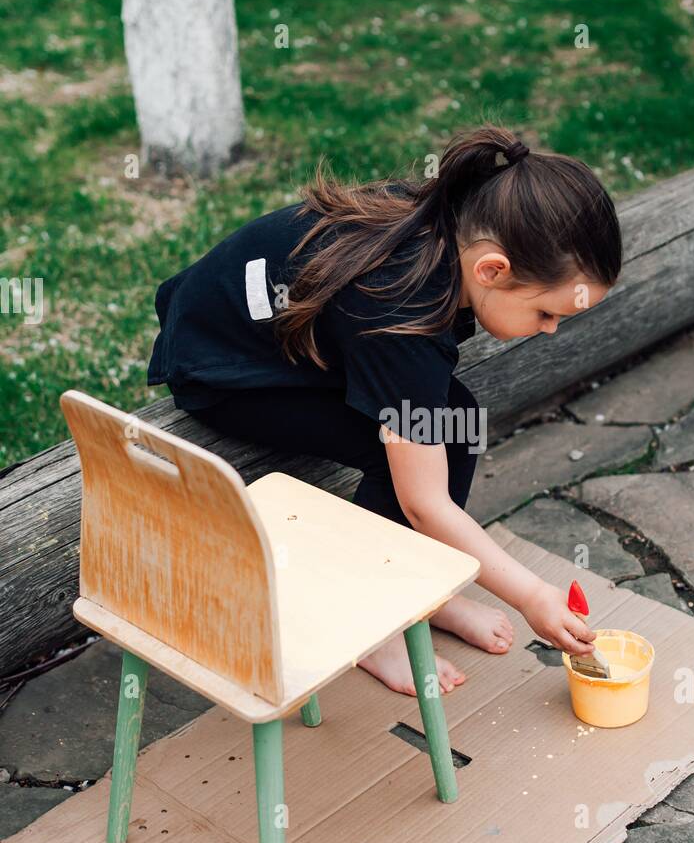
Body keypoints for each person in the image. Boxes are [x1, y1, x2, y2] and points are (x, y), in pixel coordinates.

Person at [146, 124, 622, 697]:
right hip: (223, 370)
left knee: (455, 420)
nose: (548, 331)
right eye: (548, 313)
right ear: (492, 270)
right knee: (397, 455)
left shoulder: (453, 214)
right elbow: (422, 503)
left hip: (268, 333)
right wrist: (531, 595)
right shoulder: (404, 314)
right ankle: (370, 623)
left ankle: (425, 589)